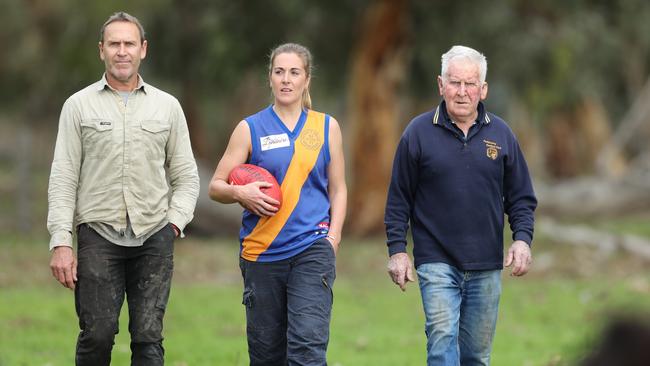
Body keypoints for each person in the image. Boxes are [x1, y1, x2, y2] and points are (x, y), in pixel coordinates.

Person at [47, 12, 199, 366]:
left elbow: (186, 175)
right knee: (97, 336)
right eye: (114, 44)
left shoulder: (168, 107)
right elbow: (63, 176)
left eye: (129, 43)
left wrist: (173, 224)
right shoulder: (78, 106)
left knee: (148, 340)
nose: (122, 51)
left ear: (143, 49)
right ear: (101, 50)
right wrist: (60, 242)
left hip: (153, 236)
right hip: (98, 235)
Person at [384, 45, 537, 365]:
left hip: (486, 263)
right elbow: (399, 198)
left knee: (476, 357)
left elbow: (521, 196)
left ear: (483, 90)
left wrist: (522, 240)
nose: (462, 92)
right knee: (441, 345)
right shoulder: (417, 133)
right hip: (435, 260)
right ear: (441, 85)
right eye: (455, 83)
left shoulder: (502, 134)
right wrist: (397, 251)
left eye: (470, 84)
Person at [208, 42, 347, 366]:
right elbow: (216, 186)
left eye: (294, 72)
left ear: (306, 80)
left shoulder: (327, 128)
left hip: (312, 249)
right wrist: (240, 194)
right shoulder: (249, 128)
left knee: (307, 352)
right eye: (279, 72)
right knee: (267, 356)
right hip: (261, 254)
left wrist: (333, 239)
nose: (286, 79)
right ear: (269, 78)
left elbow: (339, 189)